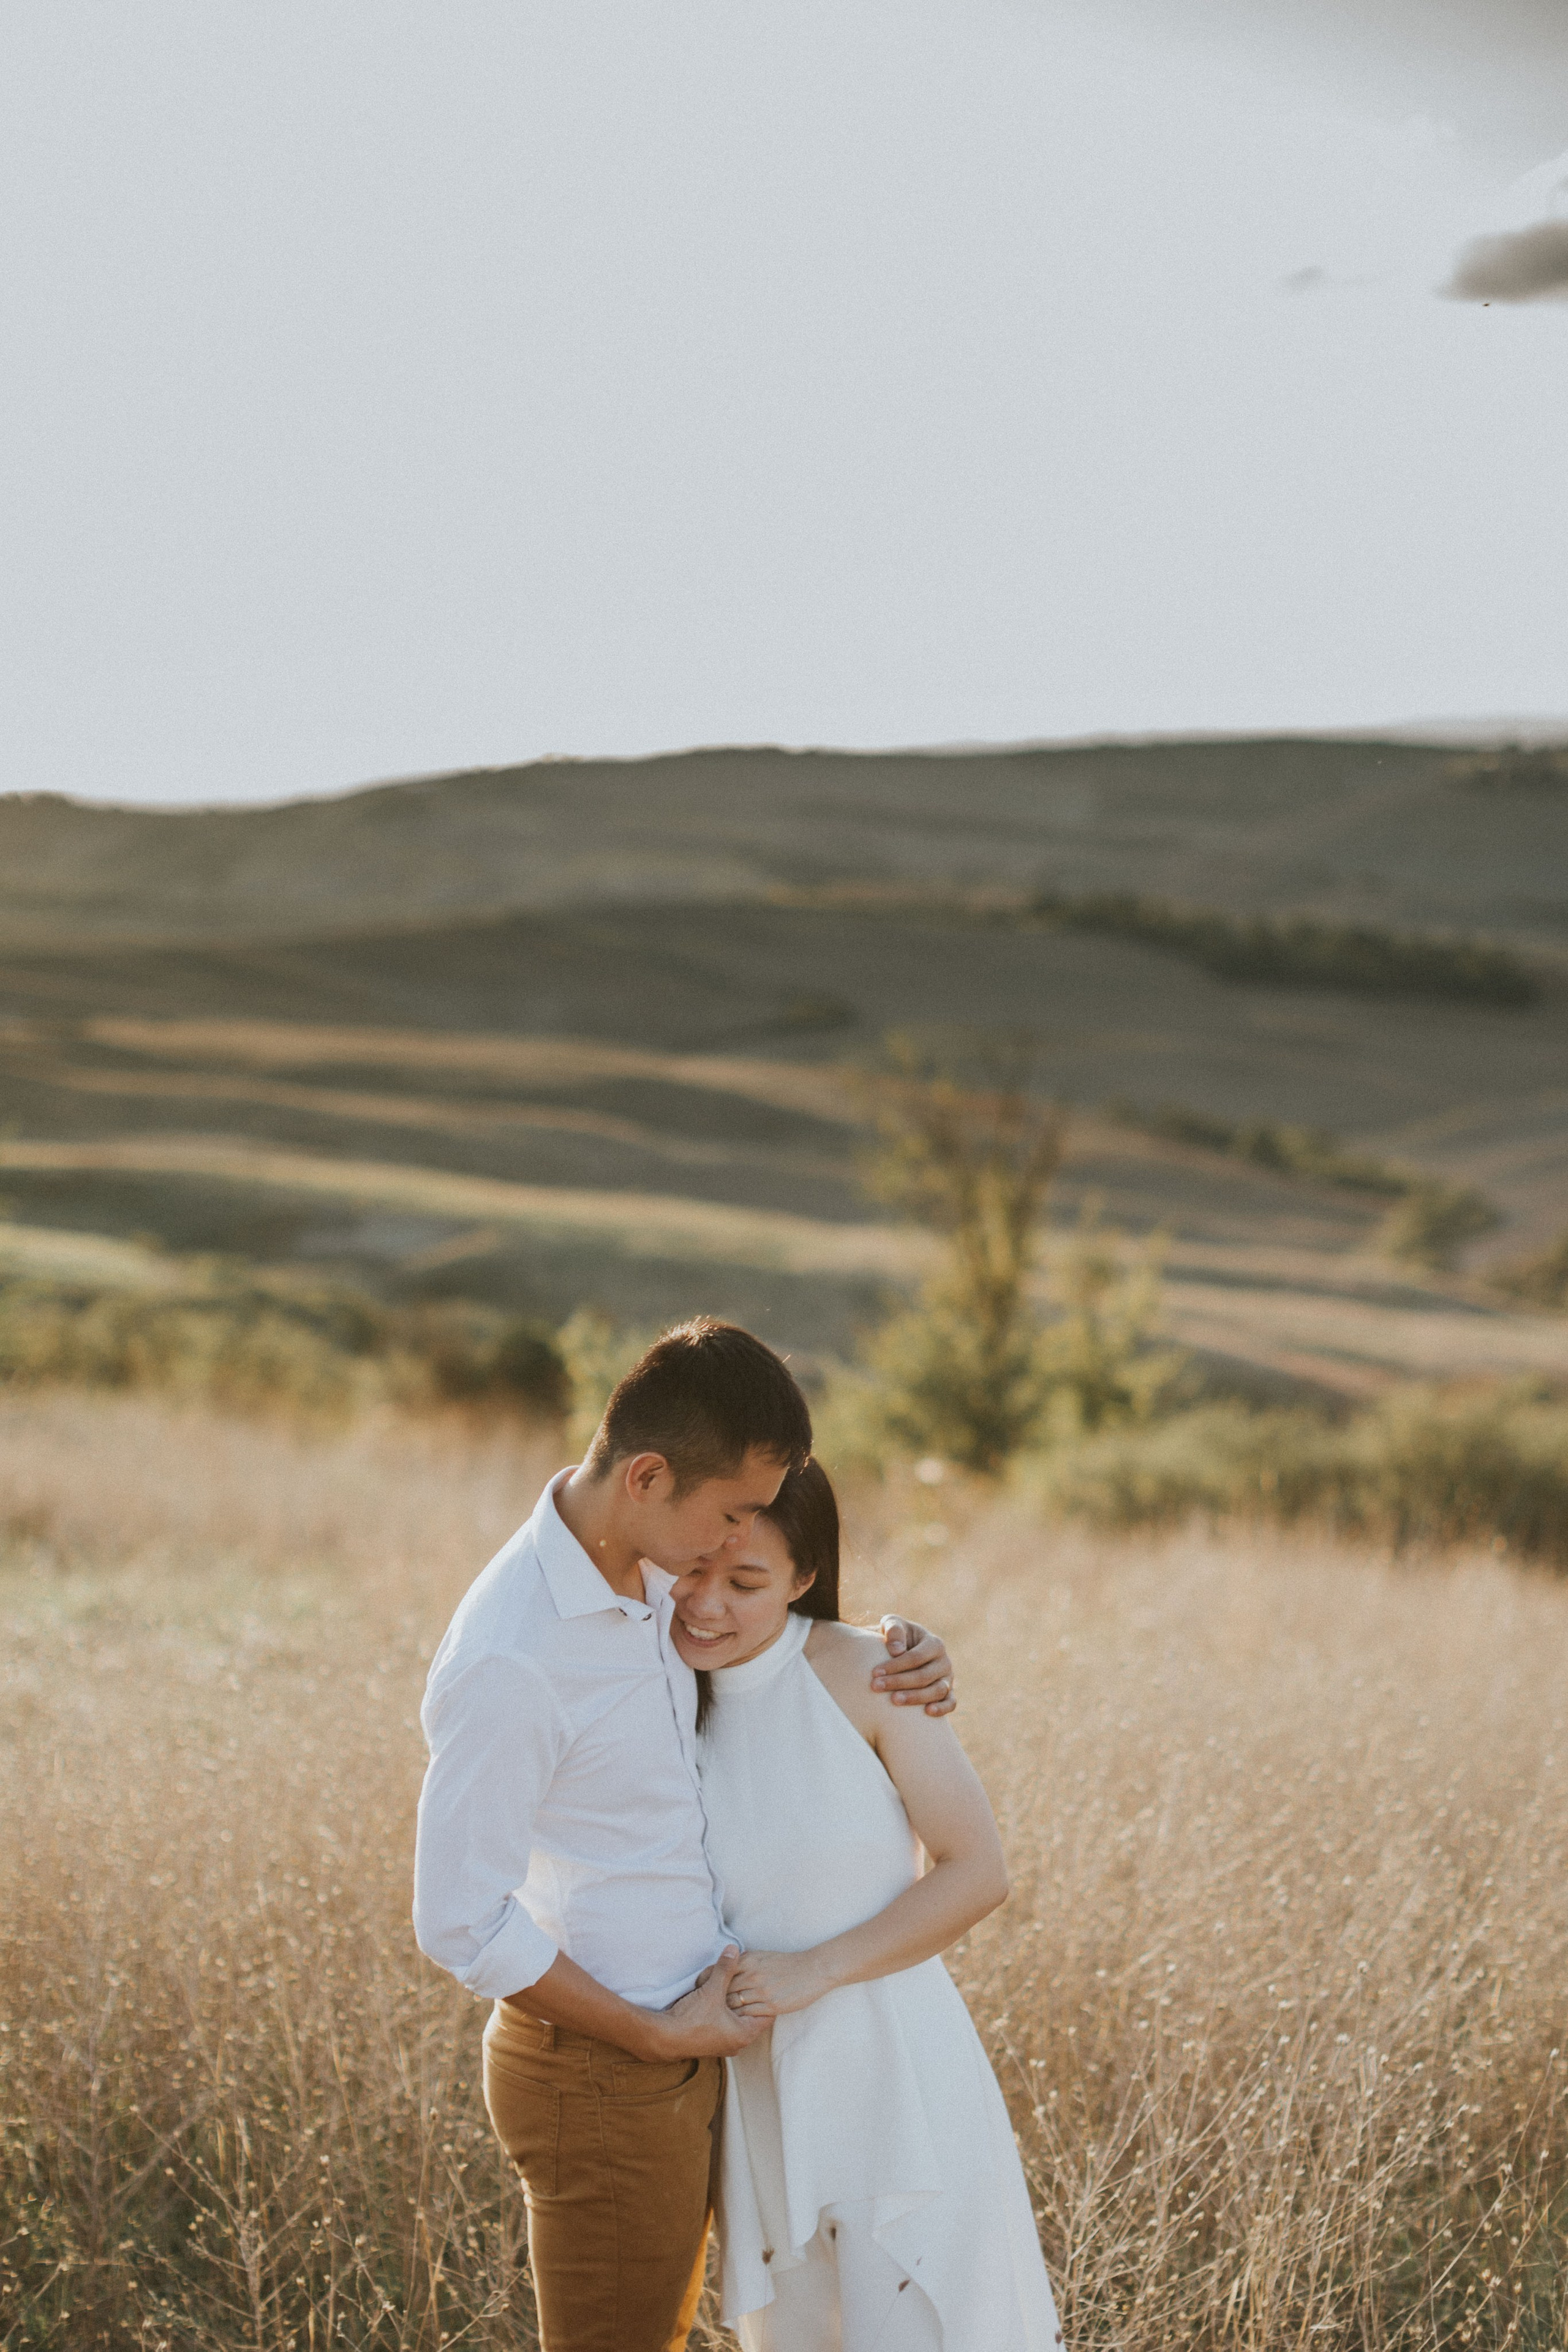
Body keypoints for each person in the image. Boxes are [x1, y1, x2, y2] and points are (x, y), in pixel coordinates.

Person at [412, 1319, 957, 2352]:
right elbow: (460, 1922)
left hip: (691, 2055)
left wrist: (901, 1646)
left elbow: (769, 1623)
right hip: (603, 2066)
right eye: (734, 1511)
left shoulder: (654, 1567)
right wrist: (653, 2035)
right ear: (650, 1477)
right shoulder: (515, 1656)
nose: (737, 1539)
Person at [671, 1458, 1063, 2351]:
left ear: (804, 1577)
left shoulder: (870, 1675)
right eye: (694, 1569)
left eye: (746, 1581)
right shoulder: (650, 1682)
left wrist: (816, 1970)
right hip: (756, 2079)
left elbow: (976, 1870)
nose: (707, 1603)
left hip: (890, 2065)